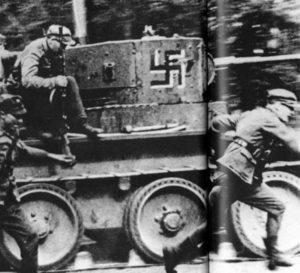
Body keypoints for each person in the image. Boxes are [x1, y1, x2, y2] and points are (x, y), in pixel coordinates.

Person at [208, 88, 300, 270]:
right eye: (289, 108)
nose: (290, 114)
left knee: (275, 207)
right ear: (277, 105)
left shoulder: (251, 114)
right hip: (240, 174)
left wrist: (222, 132)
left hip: (239, 173)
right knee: (276, 207)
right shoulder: (270, 119)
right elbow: (293, 142)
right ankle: (273, 255)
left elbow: (218, 121)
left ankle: (177, 251)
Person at [0, 94, 75, 273]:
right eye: (15, 116)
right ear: (2, 114)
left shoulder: (8, 134)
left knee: (30, 238)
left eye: (21, 117)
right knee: (30, 238)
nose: (19, 121)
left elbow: (24, 150)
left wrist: (53, 156)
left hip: (6, 200)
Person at [19, 24, 103, 139]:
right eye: (62, 45)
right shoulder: (35, 50)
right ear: (52, 40)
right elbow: (27, 81)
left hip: (43, 85)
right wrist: (54, 81)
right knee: (38, 92)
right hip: (22, 91)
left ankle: (79, 123)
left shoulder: (55, 51)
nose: (64, 48)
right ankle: (36, 127)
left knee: (70, 81)